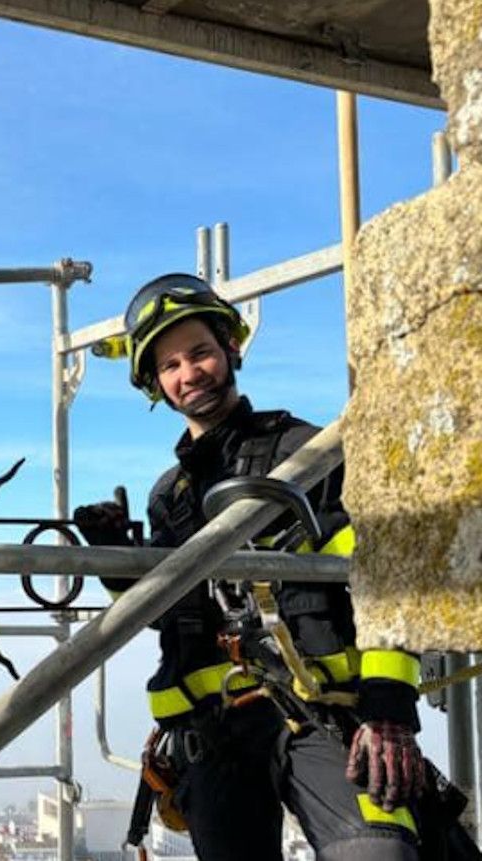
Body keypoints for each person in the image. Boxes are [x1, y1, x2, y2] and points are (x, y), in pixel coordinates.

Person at [74, 273, 477, 861]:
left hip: (316, 714)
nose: (189, 374)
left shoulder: (309, 454)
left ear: (231, 349)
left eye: (201, 353)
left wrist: (389, 710)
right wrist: (119, 566)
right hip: (212, 731)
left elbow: (384, 578)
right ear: (157, 386)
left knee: (377, 854)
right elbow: (171, 616)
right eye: (170, 366)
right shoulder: (171, 495)